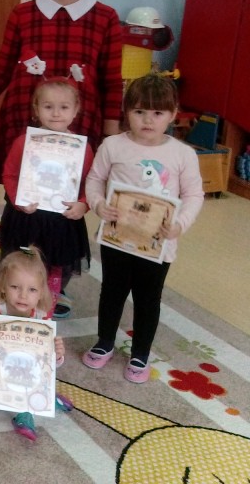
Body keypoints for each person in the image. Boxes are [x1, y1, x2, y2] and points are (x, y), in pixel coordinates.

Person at [83, 73, 204, 383]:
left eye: (158, 112)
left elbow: (194, 195)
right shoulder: (112, 145)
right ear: (127, 112)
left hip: (158, 245)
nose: (148, 120)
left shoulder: (183, 154)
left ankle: (140, 352)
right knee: (112, 291)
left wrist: (179, 224)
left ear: (173, 114)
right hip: (116, 239)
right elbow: (94, 180)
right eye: (139, 111)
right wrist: (98, 204)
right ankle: (105, 341)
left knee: (148, 298)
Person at [0, 0, 124, 168]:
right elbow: (2, 71)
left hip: (79, 123)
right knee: (19, 184)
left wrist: (110, 135)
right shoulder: (23, 13)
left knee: (70, 185)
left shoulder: (105, 17)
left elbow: (111, 81)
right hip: (24, 118)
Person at [0, 78, 94, 319]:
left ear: (75, 110)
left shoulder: (82, 148)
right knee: (22, 262)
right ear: (36, 108)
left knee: (57, 265)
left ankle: (47, 304)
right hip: (26, 217)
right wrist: (18, 200)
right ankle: (17, 300)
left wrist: (83, 204)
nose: (56, 113)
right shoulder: (24, 142)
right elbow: (9, 174)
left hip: (62, 220)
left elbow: (91, 182)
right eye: (48, 106)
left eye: (64, 107)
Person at [0, 247, 65, 441]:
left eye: (32, 290)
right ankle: (43, 400)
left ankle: (27, 413)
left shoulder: (42, 316)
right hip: (1, 370)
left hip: (30, 372)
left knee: (32, 386)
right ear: (3, 287)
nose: (23, 295)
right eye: (15, 287)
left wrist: (57, 354)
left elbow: (46, 363)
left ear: (41, 293)